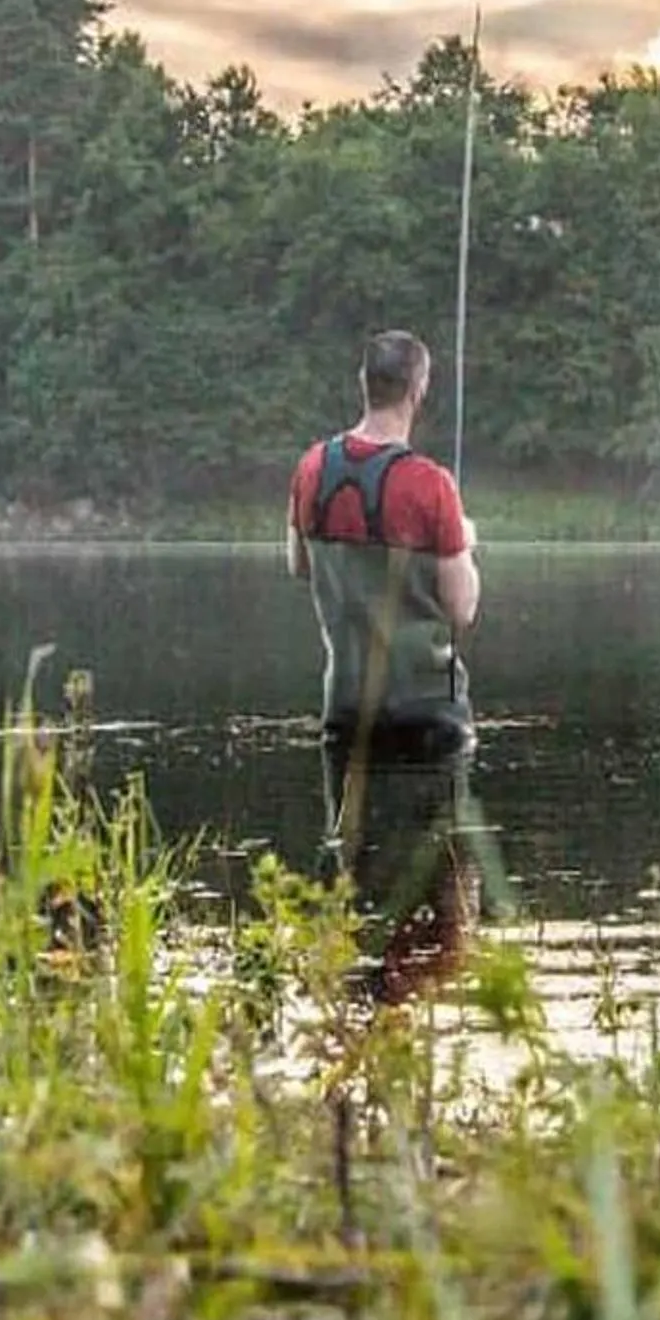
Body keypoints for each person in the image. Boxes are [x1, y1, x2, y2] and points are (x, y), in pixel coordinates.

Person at [286, 329, 484, 995]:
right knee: (449, 898)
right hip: (430, 718)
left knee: (352, 882)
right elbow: (462, 610)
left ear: (362, 384)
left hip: (347, 712)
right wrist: (466, 544)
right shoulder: (432, 487)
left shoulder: (312, 468)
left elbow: (298, 564)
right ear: (419, 392)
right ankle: (413, 1002)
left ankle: (355, 1010)